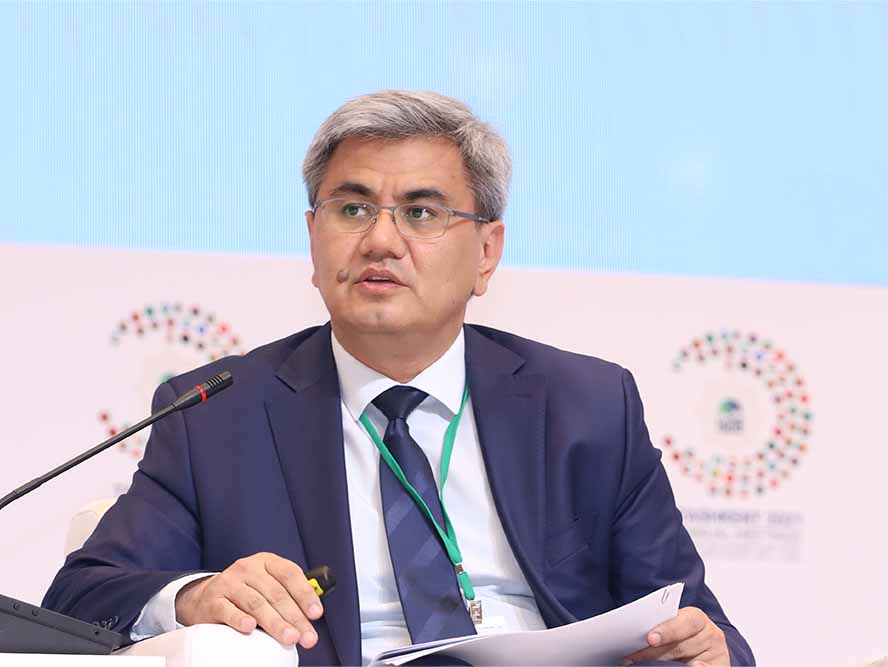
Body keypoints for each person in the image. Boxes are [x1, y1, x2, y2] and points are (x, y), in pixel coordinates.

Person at [43, 90, 753, 667]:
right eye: (352, 209)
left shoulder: (587, 407)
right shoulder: (219, 413)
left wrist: (707, 650)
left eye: (421, 212)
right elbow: (81, 596)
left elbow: (699, 624)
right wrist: (195, 596)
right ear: (314, 239)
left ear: (486, 252)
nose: (381, 240)